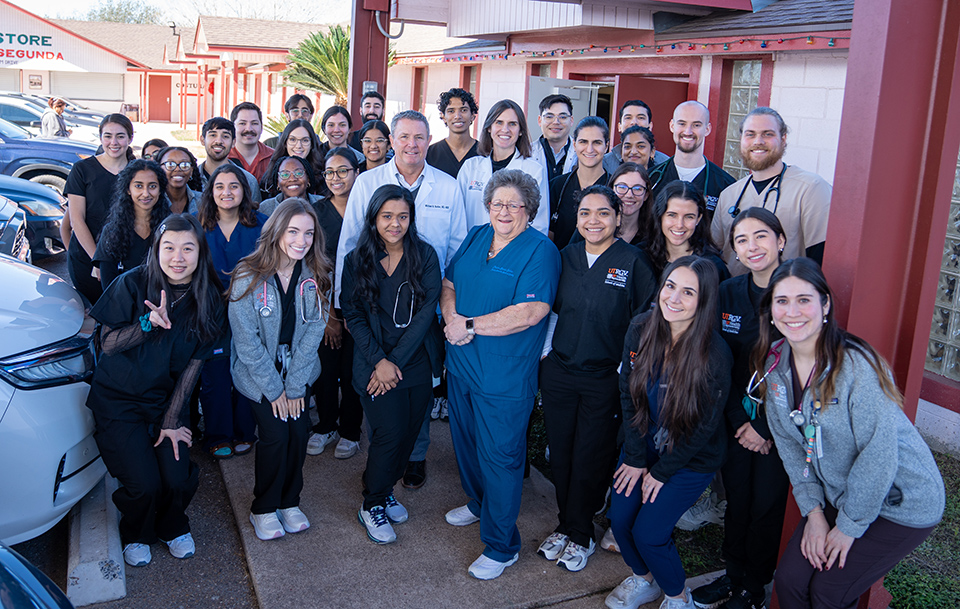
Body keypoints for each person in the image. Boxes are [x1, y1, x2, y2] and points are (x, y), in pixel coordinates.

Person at [751, 258, 944, 609]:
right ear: (770, 310)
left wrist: (849, 526)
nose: (792, 312)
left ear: (825, 304)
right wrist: (813, 514)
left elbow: (878, 452)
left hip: (901, 501)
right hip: (843, 495)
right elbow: (792, 449)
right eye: (782, 301)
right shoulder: (775, 366)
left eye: (804, 300)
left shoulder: (857, 367)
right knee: (791, 580)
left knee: (828, 592)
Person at [85, 213, 226, 568]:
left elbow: (194, 365)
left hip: (164, 403)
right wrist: (147, 324)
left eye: (187, 248)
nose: (178, 257)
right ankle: (136, 531)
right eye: (169, 248)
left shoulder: (209, 299)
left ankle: (172, 526)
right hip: (119, 402)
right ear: (157, 250)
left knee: (177, 477)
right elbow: (108, 343)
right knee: (145, 484)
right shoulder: (131, 284)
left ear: (200, 253)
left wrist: (171, 419)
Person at [337, 110, 467, 489]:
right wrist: (344, 309)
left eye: (420, 137)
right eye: (405, 137)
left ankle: (415, 455)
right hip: (376, 302)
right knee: (385, 396)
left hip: (428, 302)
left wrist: (447, 302)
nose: (412, 144)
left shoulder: (447, 185)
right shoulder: (367, 182)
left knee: (419, 387)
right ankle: (384, 460)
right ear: (391, 140)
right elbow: (351, 241)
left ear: (430, 141)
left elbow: (457, 244)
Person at [441, 169, 561, 580]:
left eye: (514, 204)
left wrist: (469, 326)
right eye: (498, 203)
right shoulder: (477, 236)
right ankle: (479, 504)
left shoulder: (540, 251)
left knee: (501, 458)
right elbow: (449, 282)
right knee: (468, 443)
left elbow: (531, 312)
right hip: (462, 365)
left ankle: (501, 544)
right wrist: (452, 317)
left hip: (504, 377)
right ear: (487, 205)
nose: (504, 211)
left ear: (529, 210)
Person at [537, 184, 657, 573]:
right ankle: (565, 524)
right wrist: (546, 358)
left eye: (603, 213)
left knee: (591, 456)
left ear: (618, 217)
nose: (593, 220)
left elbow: (645, 325)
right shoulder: (565, 256)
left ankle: (583, 533)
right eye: (586, 213)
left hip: (604, 379)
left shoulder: (634, 262)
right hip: (560, 372)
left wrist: (626, 374)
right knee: (561, 451)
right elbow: (550, 311)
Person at [605, 256, 732, 609]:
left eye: (688, 292)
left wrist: (661, 472)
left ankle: (678, 597)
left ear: (703, 301)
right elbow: (627, 394)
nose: (673, 298)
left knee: (649, 532)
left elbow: (706, 426)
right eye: (670, 286)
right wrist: (633, 457)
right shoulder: (641, 328)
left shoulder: (715, 354)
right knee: (620, 518)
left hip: (692, 456)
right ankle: (644, 579)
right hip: (644, 441)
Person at [691, 208, 789, 609]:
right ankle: (732, 575)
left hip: (780, 424)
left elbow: (803, 369)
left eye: (761, 236)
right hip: (735, 419)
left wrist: (764, 427)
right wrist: (739, 420)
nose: (753, 247)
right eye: (742, 240)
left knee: (766, 504)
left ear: (780, 241)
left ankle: (755, 586)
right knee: (738, 499)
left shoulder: (796, 291)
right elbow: (720, 363)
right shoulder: (730, 292)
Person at [341, 185, 443, 543]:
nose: (395, 223)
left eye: (402, 216)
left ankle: (384, 491)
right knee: (389, 434)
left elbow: (427, 312)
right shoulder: (357, 260)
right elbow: (352, 313)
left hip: (413, 362)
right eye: (387, 216)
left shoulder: (425, 255)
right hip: (372, 364)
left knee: (410, 435)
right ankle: (372, 504)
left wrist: (394, 362)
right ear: (373, 219)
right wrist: (379, 362)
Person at [228, 198, 331, 541]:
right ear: (276, 231)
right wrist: (275, 391)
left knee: (298, 432)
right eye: (293, 231)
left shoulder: (315, 275)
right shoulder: (248, 273)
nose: (301, 241)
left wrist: (295, 387)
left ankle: (289, 502)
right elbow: (246, 342)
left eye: (308, 233)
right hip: (259, 374)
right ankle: (264, 507)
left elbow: (314, 332)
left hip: (298, 372)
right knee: (275, 434)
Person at [197, 164, 267, 459]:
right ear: (211, 192)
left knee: (247, 368)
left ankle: (244, 431)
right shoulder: (196, 225)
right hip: (209, 310)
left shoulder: (262, 224)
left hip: (250, 309)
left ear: (245, 190)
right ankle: (217, 434)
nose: (227, 192)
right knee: (216, 374)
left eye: (234, 186)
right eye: (220, 186)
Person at [712, 107, 832, 276]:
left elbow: (822, 260)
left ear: (783, 139)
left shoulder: (810, 188)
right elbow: (716, 254)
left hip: (785, 298)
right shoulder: (729, 195)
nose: (758, 141)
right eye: (750, 134)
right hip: (735, 298)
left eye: (768, 134)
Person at [305, 148, 364, 460]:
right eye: (330, 172)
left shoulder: (367, 210)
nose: (336, 178)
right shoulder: (316, 213)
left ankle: (350, 430)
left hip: (360, 307)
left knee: (354, 370)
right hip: (324, 306)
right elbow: (312, 265)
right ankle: (325, 425)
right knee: (326, 370)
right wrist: (328, 314)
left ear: (357, 172)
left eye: (343, 171)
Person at [65, 113, 134, 304]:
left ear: (130, 138)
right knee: (93, 315)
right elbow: (76, 220)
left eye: (120, 136)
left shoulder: (138, 172)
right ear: (101, 138)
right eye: (108, 136)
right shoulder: (82, 170)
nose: (114, 142)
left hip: (127, 259)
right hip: (88, 259)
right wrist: (98, 261)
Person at [457, 99, 550, 234]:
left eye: (512, 124)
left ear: (520, 131)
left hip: (516, 251)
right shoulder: (470, 167)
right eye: (499, 122)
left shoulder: (534, 171)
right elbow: (458, 218)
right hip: (474, 248)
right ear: (489, 128)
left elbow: (539, 225)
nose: (505, 129)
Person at [647, 101, 736, 220]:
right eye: (682, 124)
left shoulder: (726, 186)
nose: (688, 131)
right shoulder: (651, 178)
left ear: (707, 129)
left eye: (696, 125)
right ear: (672, 126)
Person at [94, 159, 170, 289]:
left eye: (152, 186)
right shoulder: (112, 232)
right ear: (128, 189)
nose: (145, 193)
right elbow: (108, 286)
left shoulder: (170, 228)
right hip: (122, 303)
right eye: (138, 186)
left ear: (160, 190)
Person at [645, 180, 729, 282]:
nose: (680, 225)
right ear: (660, 215)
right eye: (672, 215)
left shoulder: (713, 266)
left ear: (698, 219)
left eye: (689, 217)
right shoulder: (641, 257)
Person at [548, 116, 609, 246]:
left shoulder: (615, 188)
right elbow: (548, 236)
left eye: (597, 142)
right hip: (560, 263)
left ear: (606, 146)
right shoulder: (556, 187)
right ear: (574, 145)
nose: (590, 149)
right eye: (583, 142)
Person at [197, 117, 261, 205]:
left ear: (233, 142)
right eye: (213, 135)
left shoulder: (248, 180)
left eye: (225, 136)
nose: (219, 141)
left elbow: (254, 215)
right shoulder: (190, 177)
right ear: (202, 140)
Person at [263, 119, 327, 197]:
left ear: (312, 144)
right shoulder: (270, 175)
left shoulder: (323, 174)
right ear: (285, 143)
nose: (298, 146)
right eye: (293, 140)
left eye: (305, 140)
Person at [603, 100, 669, 174]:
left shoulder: (665, 163)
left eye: (640, 118)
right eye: (628, 118)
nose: (634, 122)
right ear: (619, 127)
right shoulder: (605, 163)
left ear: (650, 126)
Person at [426, 87, 479, 179]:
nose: (457, 116)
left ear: (472, 115)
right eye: (451, 111)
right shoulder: (429, 154)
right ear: (443, 116)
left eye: (463, 110)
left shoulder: (484, 153)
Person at [531, 94, 577, 183]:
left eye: (562, 117)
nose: (556, 122)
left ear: (571, 120)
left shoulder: (581, 153)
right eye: (549, 117)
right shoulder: (527, 153)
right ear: (540, 120)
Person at [259, 156, 323, 216]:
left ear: (308, 179)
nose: (292, 179)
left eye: (299, 173)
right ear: (278, 183)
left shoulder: (324, 204)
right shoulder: (264, 209)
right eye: (285, 174)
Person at [229, 102, 273, 182]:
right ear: (232, 127)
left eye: (254, 123)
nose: (249, 129)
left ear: (261, 127)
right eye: (242, 123)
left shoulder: (274, 158)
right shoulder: (224, 158)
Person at [156, 146, 202, 214]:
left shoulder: (203, 200)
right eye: (170, 164)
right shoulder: (152, 200)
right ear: (159, 169)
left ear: (191, 171)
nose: (177, 169)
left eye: (184, 165)